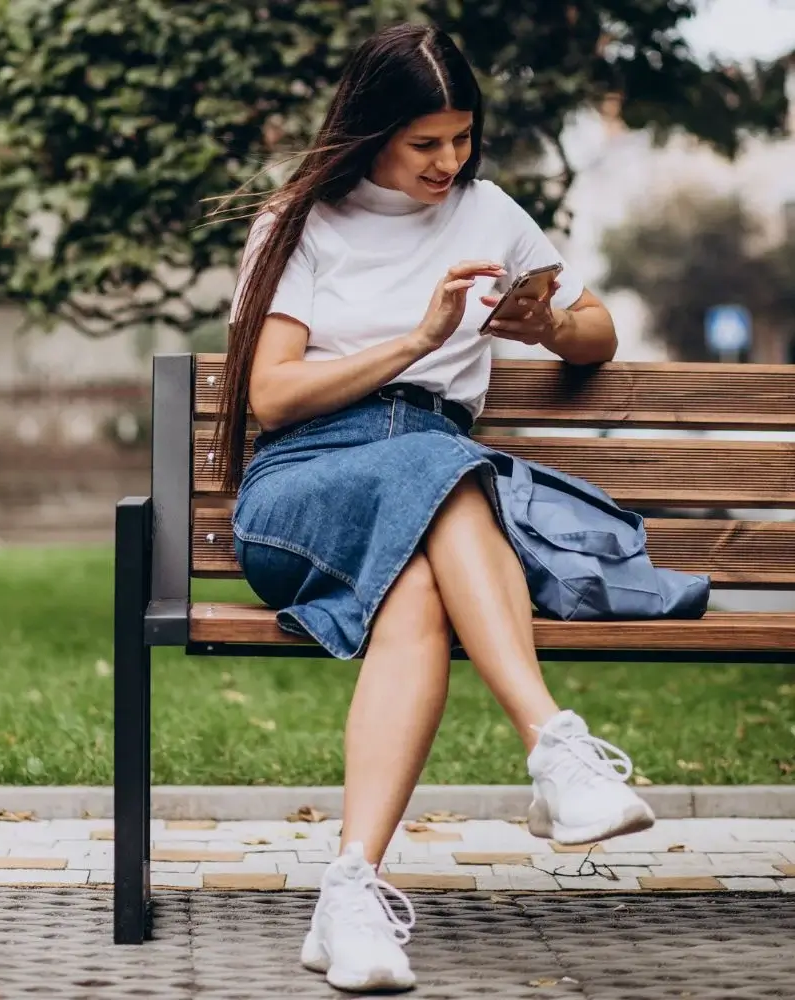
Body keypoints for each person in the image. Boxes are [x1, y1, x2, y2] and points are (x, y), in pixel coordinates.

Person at [217, 22, 655, 994]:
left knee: (420, 577)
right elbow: (272, 398)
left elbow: (598, 334)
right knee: (452, 470)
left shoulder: (487, 210)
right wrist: (420, 338)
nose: (447, 160)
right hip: (307, 485)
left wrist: (548, 323)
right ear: (371, 131)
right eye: (425, 143)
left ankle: (350, 888)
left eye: (461, 137)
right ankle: (552, 745)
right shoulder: (298, 221)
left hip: (429, 475)